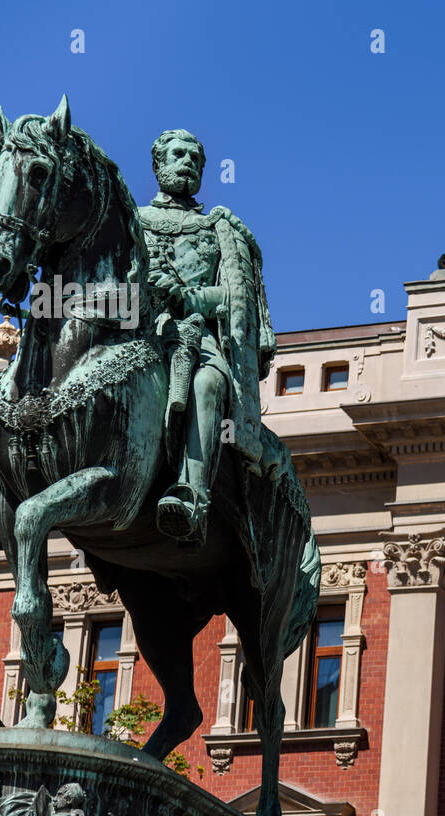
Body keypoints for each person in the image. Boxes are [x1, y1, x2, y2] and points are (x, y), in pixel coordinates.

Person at [140, 129, 277, 545]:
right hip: (137, 331)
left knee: (208, 383)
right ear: (158, 164)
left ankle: (191, 494)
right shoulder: (132, 220)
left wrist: (186, 296)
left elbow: (236, 297)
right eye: (178, 154)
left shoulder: (216, 229)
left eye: (195, 159)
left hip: (195, 336)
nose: (187, 163)